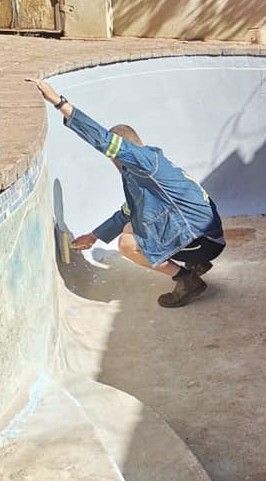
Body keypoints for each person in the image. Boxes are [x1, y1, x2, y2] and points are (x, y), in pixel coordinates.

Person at [27, 77, 225, 308]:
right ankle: (196, 264)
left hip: (203, 241)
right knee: (132, 226)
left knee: (127, 244)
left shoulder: (144, 163)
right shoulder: (145, 170)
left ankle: (187, 281)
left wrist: (59, 103)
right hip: (206, 238)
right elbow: (129, 212)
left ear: (123, 152)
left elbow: (102, 140)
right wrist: (94, 236)